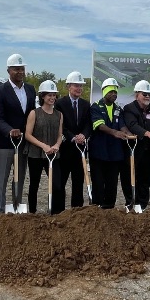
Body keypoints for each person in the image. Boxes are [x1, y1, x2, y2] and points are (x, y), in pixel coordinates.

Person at [0, 53, 37, 213]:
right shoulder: (0, 92)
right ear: (8, 70)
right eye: (16, 69)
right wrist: (9, 130)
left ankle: (17, 207)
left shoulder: (31, 89)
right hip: (5, 143)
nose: (20, 72)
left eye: (22, 69)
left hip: (24, 142)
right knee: (1, 179)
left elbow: (32, 114)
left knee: (19, 178)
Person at [123, 80, 150, 211]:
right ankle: (131, 202)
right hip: (135, 148)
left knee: (146, 178)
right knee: (133, 176)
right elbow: (133, 125)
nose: (147, 96)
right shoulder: (129, 108)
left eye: (149, 94)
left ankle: (143, 204)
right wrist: (149, 134)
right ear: (137, 95)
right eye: (144, 94)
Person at [88, 78, 131, 208]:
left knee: (112, 183)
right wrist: (115, 132)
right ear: (104, 91)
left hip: (115, 154)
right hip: (99, 153)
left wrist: (127, 133)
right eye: (111, 91)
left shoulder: (118, 108)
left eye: (116, 92)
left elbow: (122, 125)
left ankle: (109, 208)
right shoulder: (95, 107)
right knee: (98, 183)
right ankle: (97, 208)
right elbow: (99, 125)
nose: (114, 94)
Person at [24, 80, 64, 214]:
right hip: (35, 154)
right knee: (34, 184)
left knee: (57, 185)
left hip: (53, 153)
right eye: (49, 95)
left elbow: (60, 134)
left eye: (54, 95)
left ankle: (55, 212)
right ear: (42, 96)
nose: (52, 98)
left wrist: (57, 145)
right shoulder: (34, 113)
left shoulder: (59, 115)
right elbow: (28, 135)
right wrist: (43, 146)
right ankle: (33, 213)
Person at [55, 71, 92, 208]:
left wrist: (84, 135)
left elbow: (89, 124)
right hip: (65, 149)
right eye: (76, 85)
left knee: (78, 183)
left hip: (80, 150)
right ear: (68, 86)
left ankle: (77, 211)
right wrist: (72, 137)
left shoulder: (85, 104)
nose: (79, 89)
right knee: (61, 183)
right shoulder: (60, 104)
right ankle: (58, 211)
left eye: (81, 86)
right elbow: (61, 125)